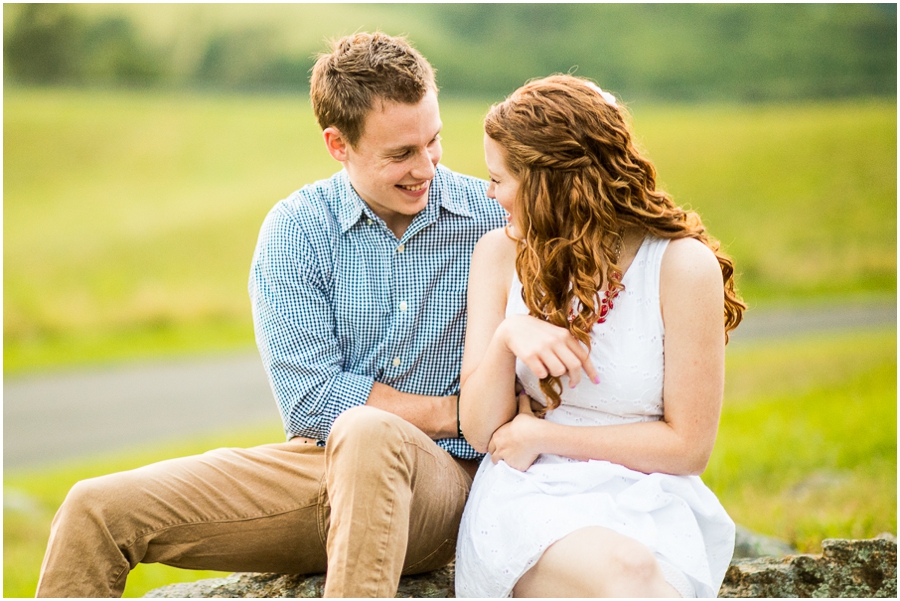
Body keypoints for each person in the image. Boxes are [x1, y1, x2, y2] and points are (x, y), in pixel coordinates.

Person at [36, 32, 506, 598]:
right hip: (319, 470)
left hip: (446, 485)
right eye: (400, 154)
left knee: (368, 429)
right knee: (93, 509)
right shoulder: (297, 229)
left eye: (433, 142)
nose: (426, 167)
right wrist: (460, 412)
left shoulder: (494, 217)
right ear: (338, 145)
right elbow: (311, 401)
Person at [454, 75, 746, 598]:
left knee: (634, 568)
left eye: (499, 179)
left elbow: (687, 448)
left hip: (654, 498)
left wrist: (543, 435)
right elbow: (480, 430)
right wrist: (506, 336)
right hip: (531, 496)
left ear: (549, 183)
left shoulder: (681, 267)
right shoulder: (498, 255)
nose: (489, 193)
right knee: (626, 572)